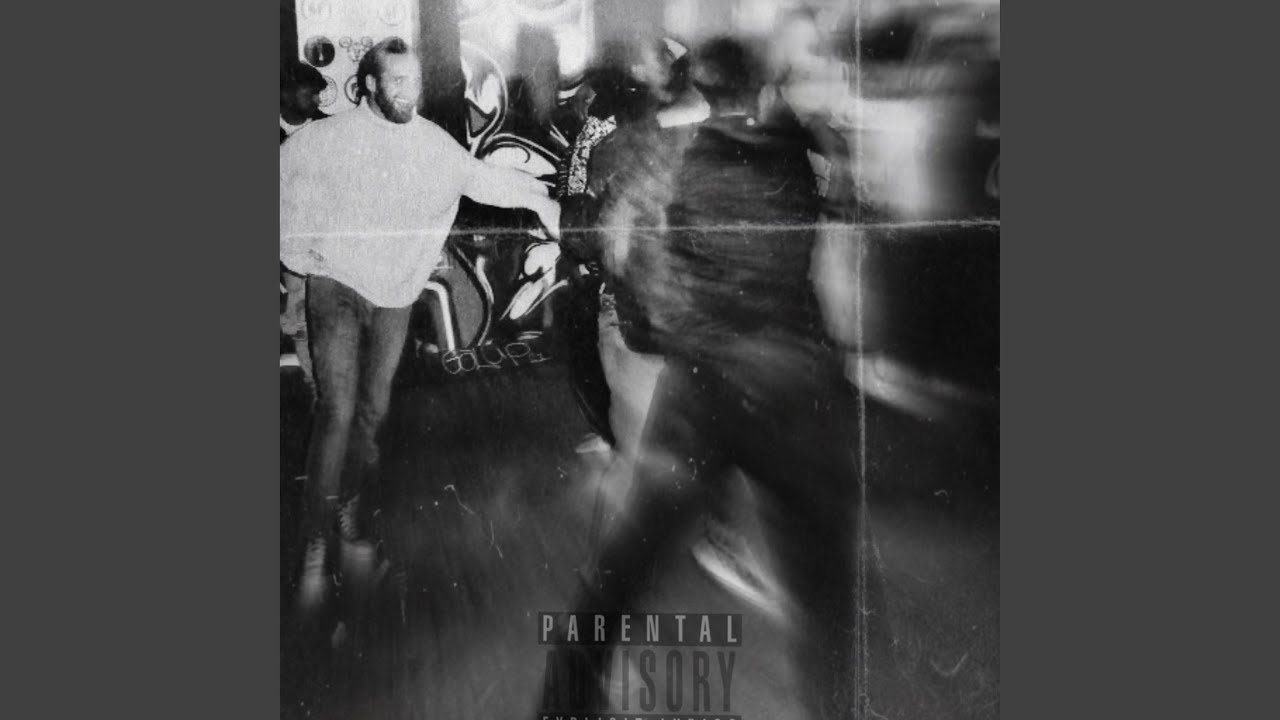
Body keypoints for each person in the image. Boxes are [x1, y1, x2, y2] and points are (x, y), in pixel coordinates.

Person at [543, 37, 874, 720]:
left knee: (625, 562)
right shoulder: (805, 151)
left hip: (704, 380)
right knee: (823, 584)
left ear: (697, 86)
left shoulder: (665, 152)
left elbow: (613, 245)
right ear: (762, 91)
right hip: (793, 380)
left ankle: (565, 701)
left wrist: (665, 327)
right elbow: (841, 257)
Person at [280, 37, 561, 614]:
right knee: (337, 408)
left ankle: (347, 508)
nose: (410, 92)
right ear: (368, 85)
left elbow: (483, 178)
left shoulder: (430, 143)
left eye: (415, 81)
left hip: (394, 295)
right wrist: (302, 260)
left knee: (372, 411)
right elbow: (283, 191)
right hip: (335, 286)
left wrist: (542, 201)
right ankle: (315, 542)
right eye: (398, 82)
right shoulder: (324, 140)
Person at [279, 61, 332, 395]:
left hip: (320, 244)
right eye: (310, 93)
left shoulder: (332, 131)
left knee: (311, 316)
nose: (317, 100)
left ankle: (320, 389)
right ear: (284, 93)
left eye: (318, 94)